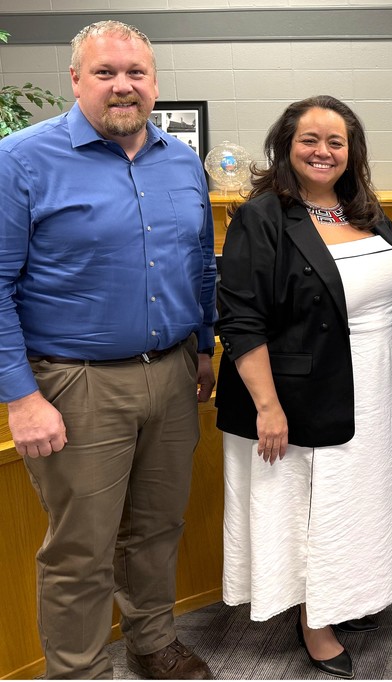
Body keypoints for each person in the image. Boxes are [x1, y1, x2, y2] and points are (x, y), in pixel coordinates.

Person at [0, 21, 216, 680]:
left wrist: (204, 347)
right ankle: (79, 672)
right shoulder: (21, 159)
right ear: (75, 80)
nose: (123, 85)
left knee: (156, 530)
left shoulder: (180, 160)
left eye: (136, 73)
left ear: (154, 82)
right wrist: (22, 396)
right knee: (81, 551)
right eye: (105, 72)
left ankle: (152, 642)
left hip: (173, 375)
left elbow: (199, 264)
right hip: (75, 385)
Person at [215, 95, 392, 679]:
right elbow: (240, 319)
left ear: (352, 151)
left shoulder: (365, 210)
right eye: (310, 139)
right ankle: (315, 619)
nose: (323, 151)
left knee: (358, 503)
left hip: (374, 384)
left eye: (336, 141)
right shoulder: (261, 216)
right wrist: (268, 407)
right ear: (285, 146)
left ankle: (346, 594)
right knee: (313, 510)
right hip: (301, 393)